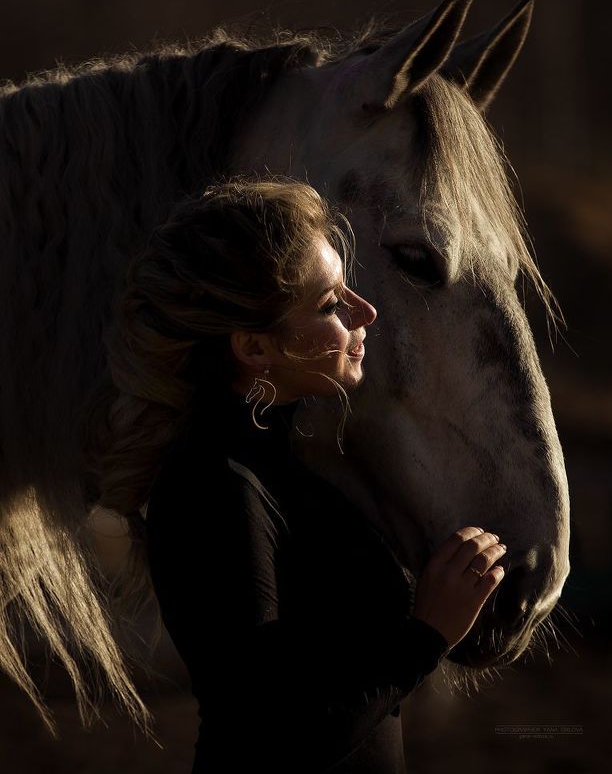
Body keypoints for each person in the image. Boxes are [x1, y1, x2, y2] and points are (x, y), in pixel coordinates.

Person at [95, 174, 507, 772]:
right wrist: (427, 635)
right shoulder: (215, 487)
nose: (364, 312)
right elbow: (267, 731)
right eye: (330, 305)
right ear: (255, 349)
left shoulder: (274, 467)